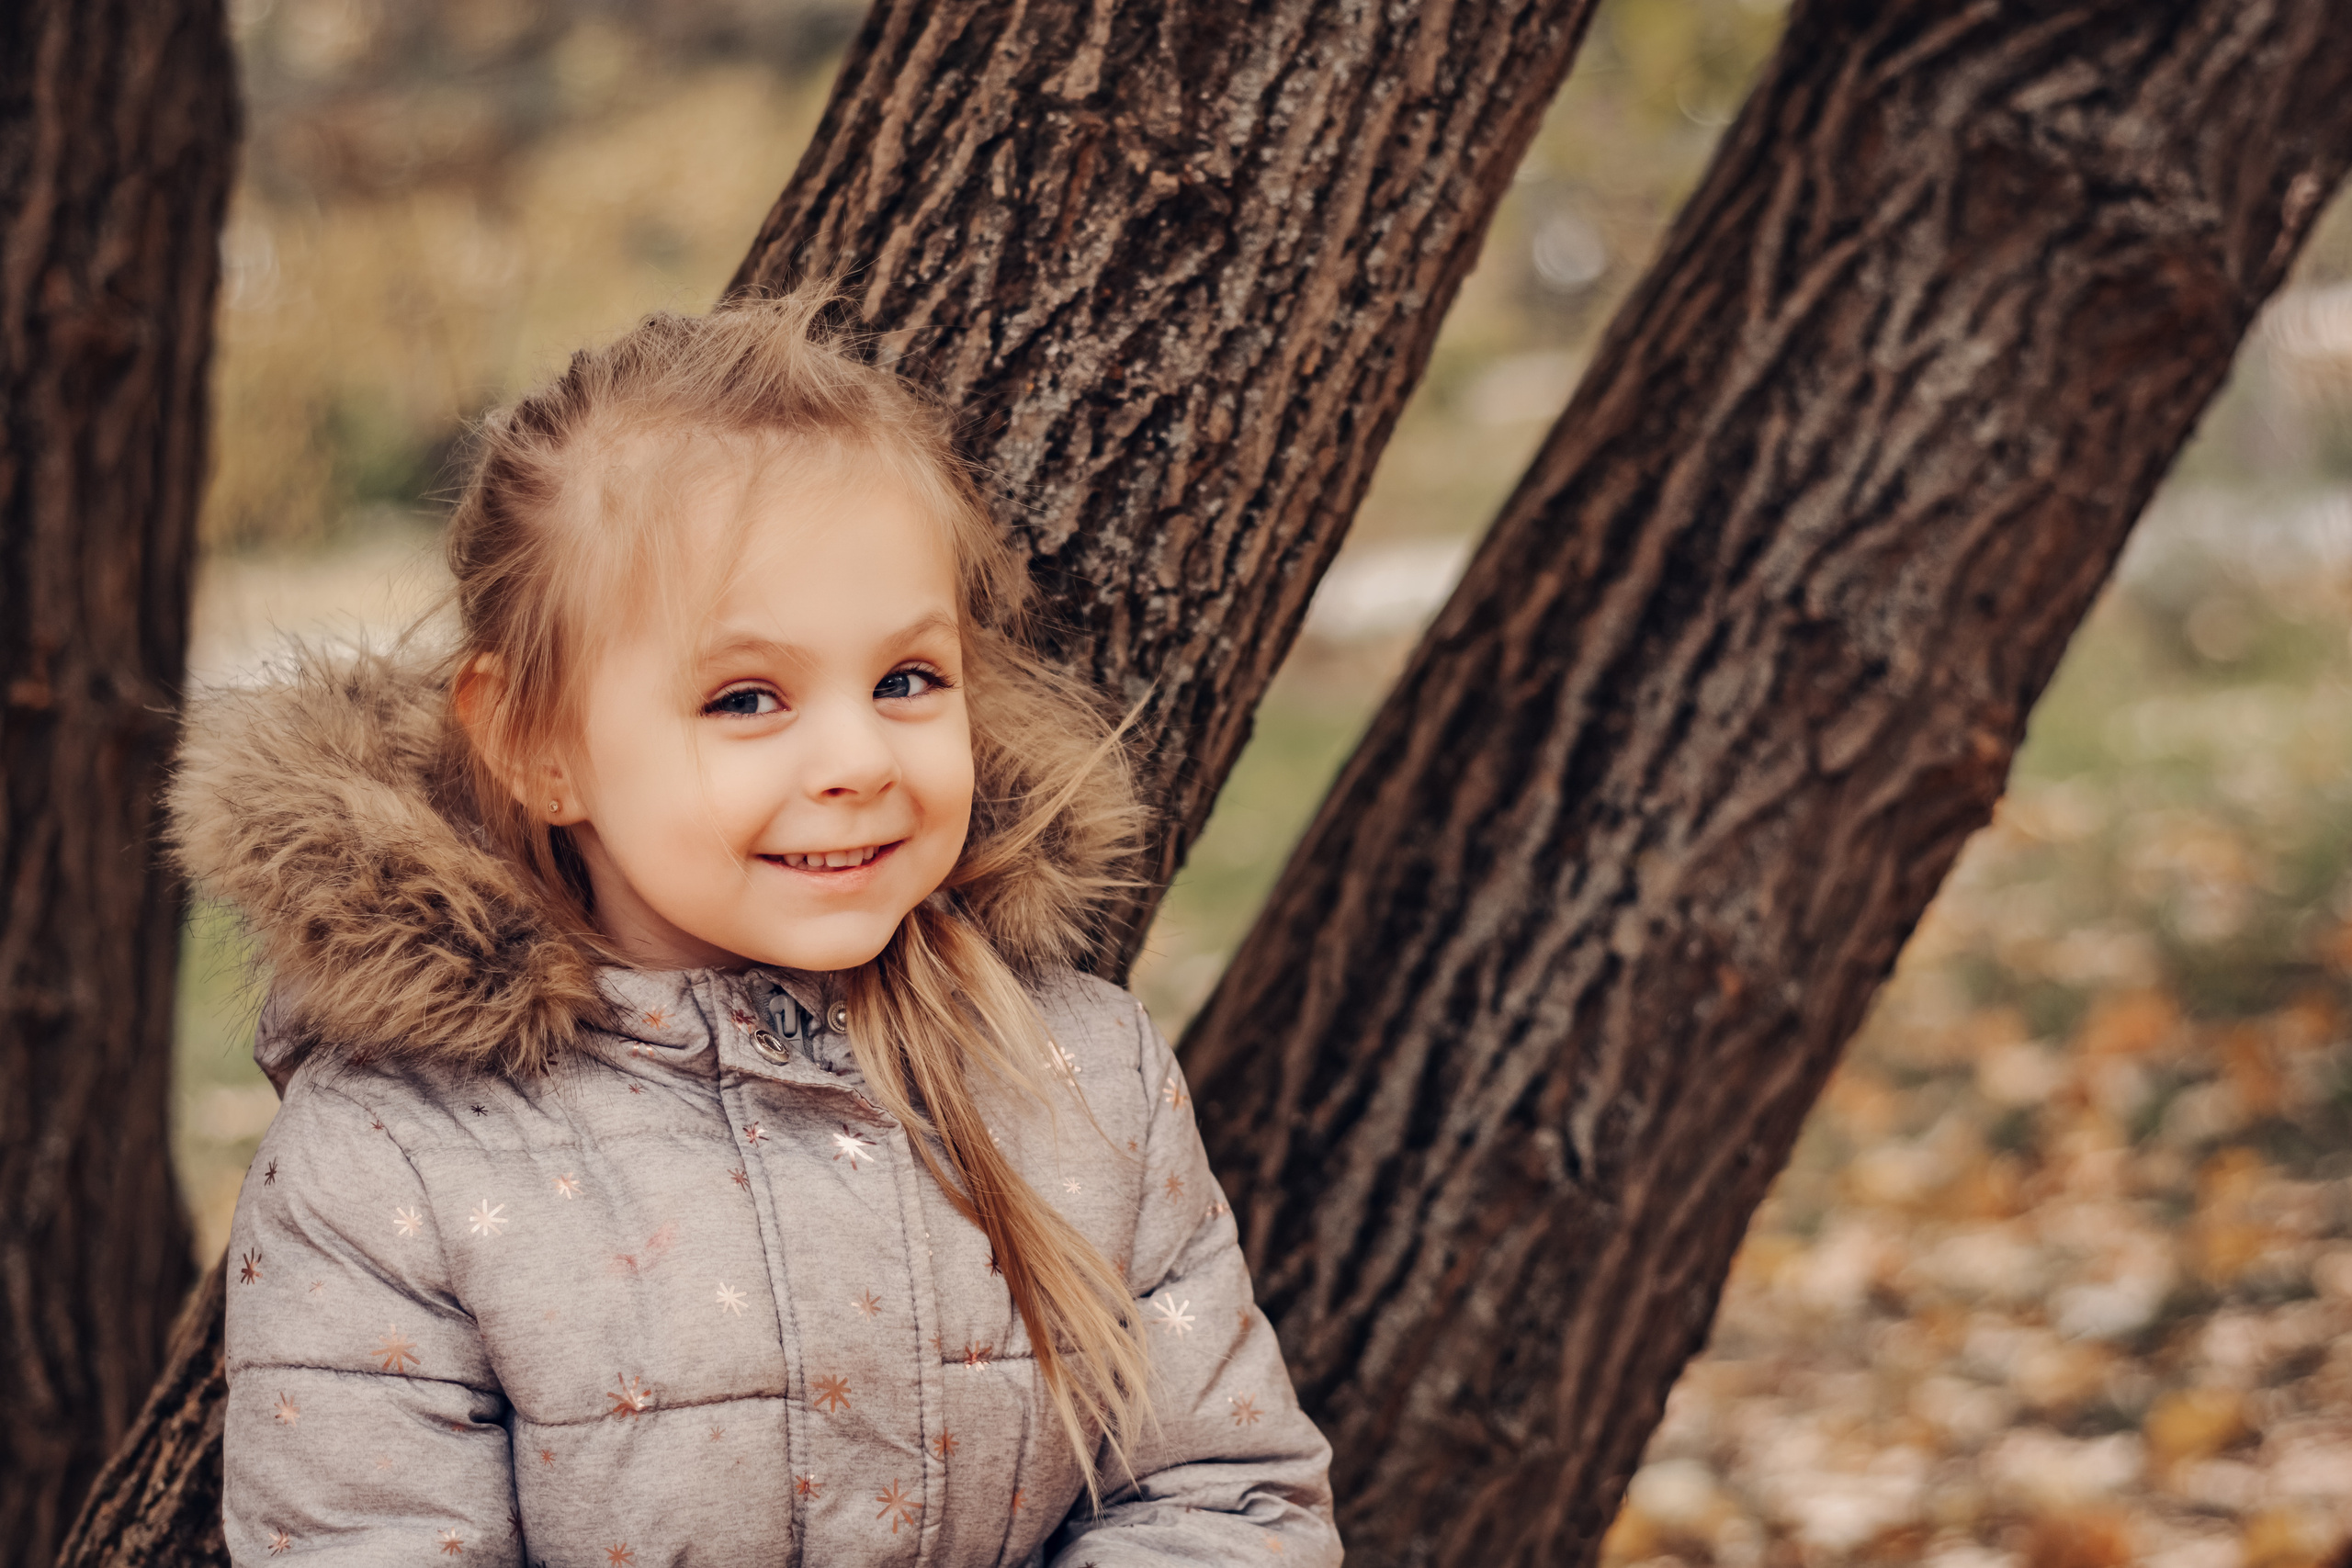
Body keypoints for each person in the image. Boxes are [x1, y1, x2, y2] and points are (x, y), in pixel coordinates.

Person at [170, 291, 1340, 1566]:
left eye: (906, 680)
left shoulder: (1078, 1078)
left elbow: (1225, 1499)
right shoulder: (396, 1161)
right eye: (745, 699)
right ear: (536, 743)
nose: (857, 759)